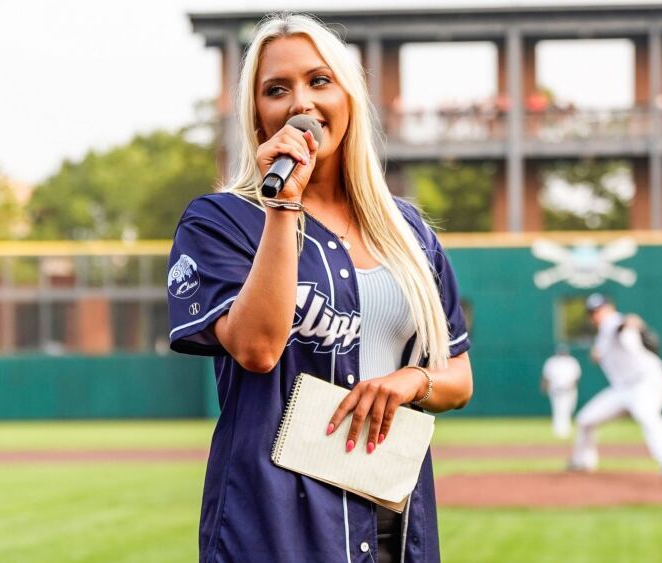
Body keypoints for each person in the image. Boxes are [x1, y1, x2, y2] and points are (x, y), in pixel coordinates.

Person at [165, 13, 473, 563]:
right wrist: (283, 205)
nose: (300, 103)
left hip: (393, 519)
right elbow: (258, 349)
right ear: (257, 114)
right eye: (276, 90)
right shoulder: (221, 220)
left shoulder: (407, 231)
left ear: (349, 97)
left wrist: (411, 381)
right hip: (274, 526)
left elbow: (459, 379)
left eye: (319, 80)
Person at [568, 293, 662, 478]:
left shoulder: (613, 322)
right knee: (585, 420)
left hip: (646, 382)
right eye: (593, 312)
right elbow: (600, 351)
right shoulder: (602, 335)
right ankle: (583, 462)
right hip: (622, 389)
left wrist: (629, 324)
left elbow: (625, 324)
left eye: (599, 310)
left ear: (610, 308)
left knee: (646, 414)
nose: (597, 315)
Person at [540, 343, 581, 439]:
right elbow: (546, 376)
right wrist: (545, 387)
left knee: (569, 409)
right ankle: (560, 430)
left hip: (569, 389)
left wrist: (572, 387)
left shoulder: (572, 361)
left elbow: (576, 377)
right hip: (555, 389)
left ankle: (564, 429)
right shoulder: (552, 362)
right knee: (558, 409)